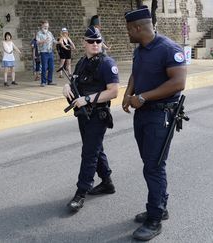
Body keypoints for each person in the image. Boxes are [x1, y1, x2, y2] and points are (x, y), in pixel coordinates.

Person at [122, 6, 186, 241]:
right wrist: (128, 94)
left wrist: (143, 97)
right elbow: (135, 74)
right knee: (150, 162)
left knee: (153, 166)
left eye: (129, 29)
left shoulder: (168, 49)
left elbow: (179, 82)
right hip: (143, 114)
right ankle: (160, 204)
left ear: (138, 28)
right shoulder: (140, 50)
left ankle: (155, 218)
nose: (127, 33)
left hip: (161, 115)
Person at [63, 26, 119, 213]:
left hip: (98, 114)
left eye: (98, 41)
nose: (95, 44)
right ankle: (107, 182)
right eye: (91, 41)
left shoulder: (106, 63)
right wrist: (66, 87)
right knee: (95, 149)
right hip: (83, 115)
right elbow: (75, 83)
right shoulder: (81, 63)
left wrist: (87, 99)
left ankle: (81, 193)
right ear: (84, 43)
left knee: (89, 153)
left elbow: (113, 91)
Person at [36, 20, 56, 86]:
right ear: (42, 26)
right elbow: (37, 42)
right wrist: (43, 41)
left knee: (51, 67)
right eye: (45, 26)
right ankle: (43, 82)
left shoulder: (49, 33)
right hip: (43, 52)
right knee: (44, 67)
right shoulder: (39, 33)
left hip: (50, 52)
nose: (46, 27)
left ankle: (49, 81)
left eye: (47, 26)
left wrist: (59, 42)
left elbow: (53, 40)